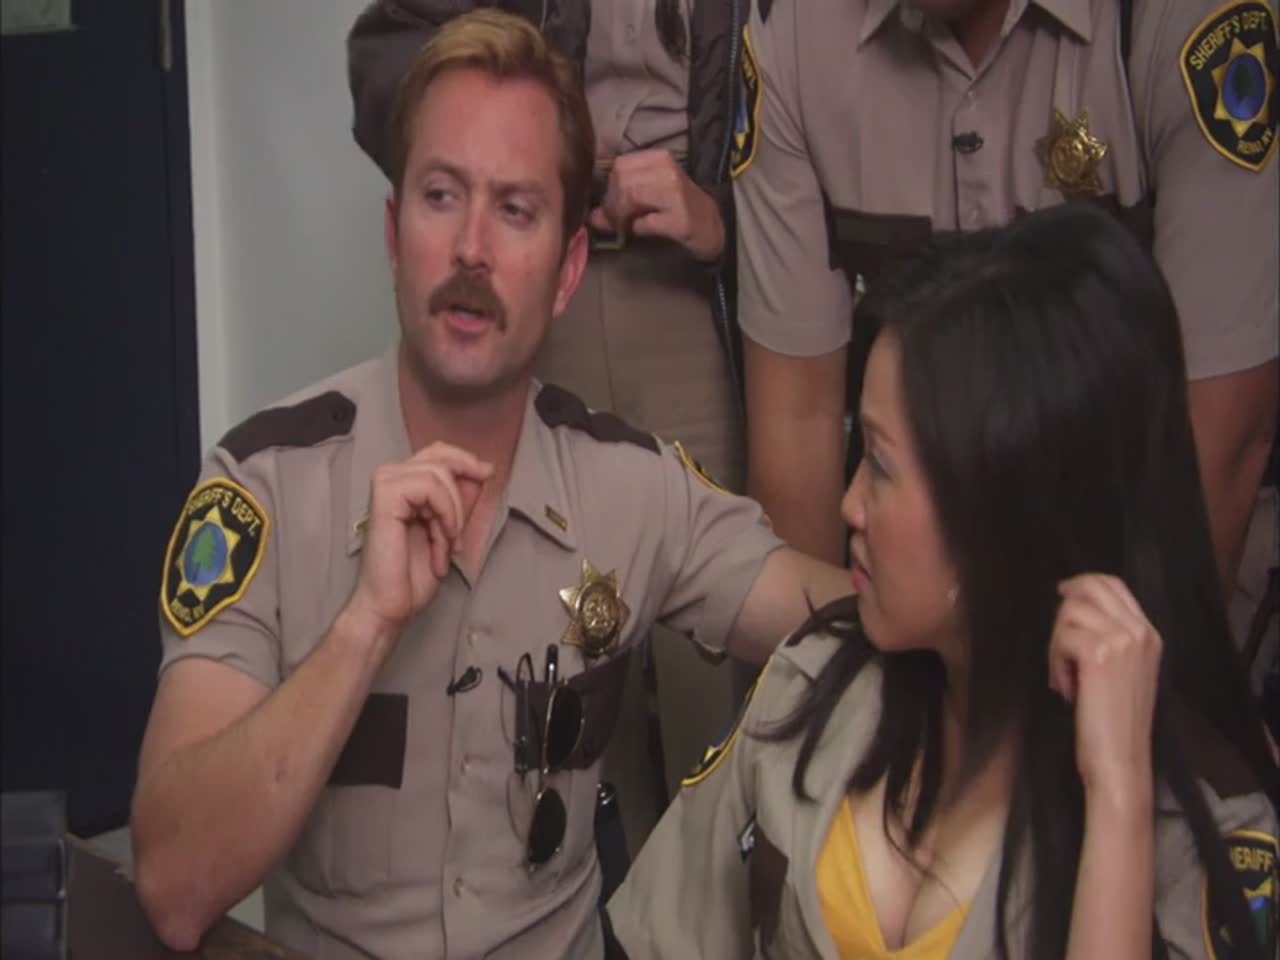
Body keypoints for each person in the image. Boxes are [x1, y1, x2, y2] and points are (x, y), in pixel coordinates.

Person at [129, 11, 846, 958]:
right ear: (395, 235)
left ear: (567, 269)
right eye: (441, 196)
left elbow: (847, 618)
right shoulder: (263, 488)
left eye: (515, 211)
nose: (472, 247)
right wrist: (364, 627)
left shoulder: (629, 488)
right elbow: (174, 887)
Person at [607, 204, 1280, 959]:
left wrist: (1117, 798)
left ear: (1006, 513)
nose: (849, 505)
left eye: (881, 466)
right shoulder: (814, 683)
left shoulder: (1208, 840)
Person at [732, 0, 1279, 646]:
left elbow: (1216, 440)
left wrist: (1126, 688)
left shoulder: (1189, 20)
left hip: (1132, 564)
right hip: (907, 586)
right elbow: (797, 423)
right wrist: (836, 685)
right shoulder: (794, 28)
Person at [348, 0, 758, 850]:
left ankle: (719, 896)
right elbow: (386, 53)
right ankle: (568, 892)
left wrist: (723, 216)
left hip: (695, 285)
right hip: (534, 282)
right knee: (549, 630)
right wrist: (511, 152)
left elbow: (816, 140)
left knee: (708, 663)